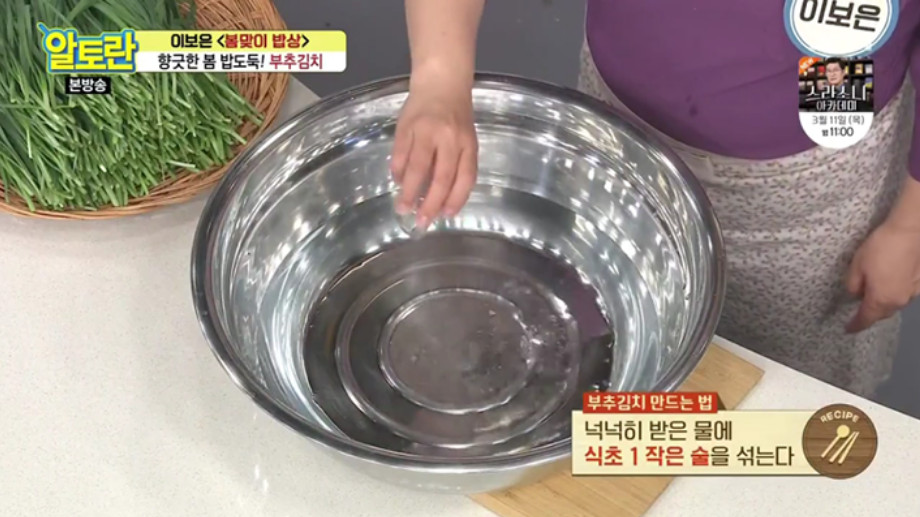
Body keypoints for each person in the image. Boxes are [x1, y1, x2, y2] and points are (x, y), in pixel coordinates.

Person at [389, 0, 920, 399]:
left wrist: (911, 226)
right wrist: (440, 77)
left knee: (780, 386)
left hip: (813, 189)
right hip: (622, 130)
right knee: (610, 334)